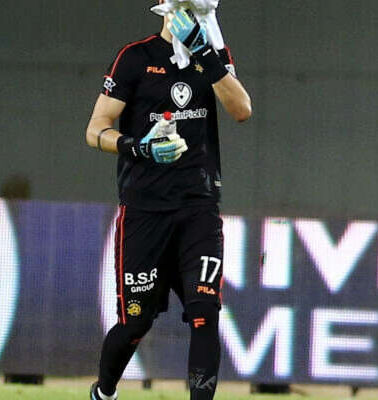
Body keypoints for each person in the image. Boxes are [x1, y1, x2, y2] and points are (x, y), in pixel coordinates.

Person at [85, 2, 251, 399]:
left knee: (205, 314)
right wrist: (138, 147)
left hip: (198, 207)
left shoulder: (212, 54)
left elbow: (241, 109)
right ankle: (104, 392)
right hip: (144, 209)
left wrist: (205, 51)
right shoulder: (135, 58)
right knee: (135, 322)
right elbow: (95, 130)